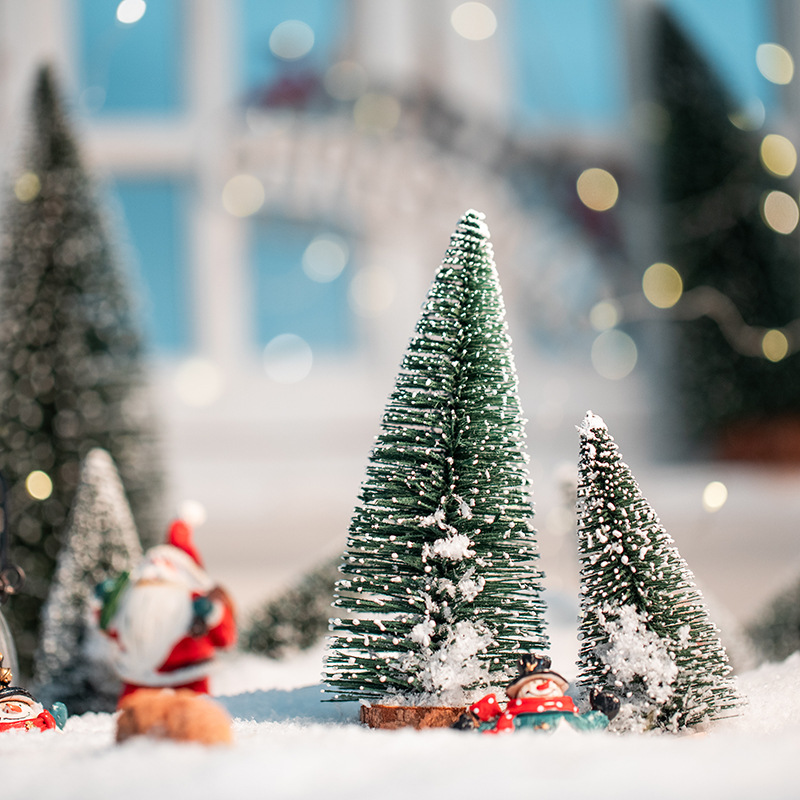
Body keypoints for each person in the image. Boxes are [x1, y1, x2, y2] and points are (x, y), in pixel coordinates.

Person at [97, 519, 237, 704]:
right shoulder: (196, 595)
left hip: (146, 683)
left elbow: (109, 628)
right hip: (184, 685)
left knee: (135, 723)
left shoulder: (130, 596)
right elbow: (225, 639)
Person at [454, 653, 618, 734]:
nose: (542, 686)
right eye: (532, 683)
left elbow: (588, 726)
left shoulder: (570, 717)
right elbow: (493, 733)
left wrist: (603, 713)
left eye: (547, 681)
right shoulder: (514, 721)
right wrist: (471, 730)